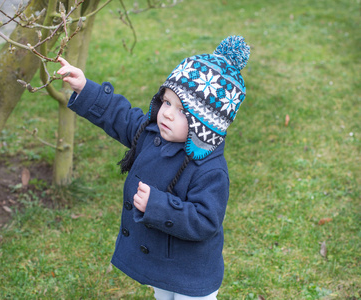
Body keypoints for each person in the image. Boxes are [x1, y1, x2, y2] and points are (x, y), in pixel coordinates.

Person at [57, 35, 250, 299]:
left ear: (206, 125)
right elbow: (120, 115)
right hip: (162, 260)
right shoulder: (150, 133)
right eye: (167, 102)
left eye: (183, 111)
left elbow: (205, 220)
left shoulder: (210, 170)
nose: (168, 113)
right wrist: (85, 88)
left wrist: (157, 206)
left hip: (193, 274)